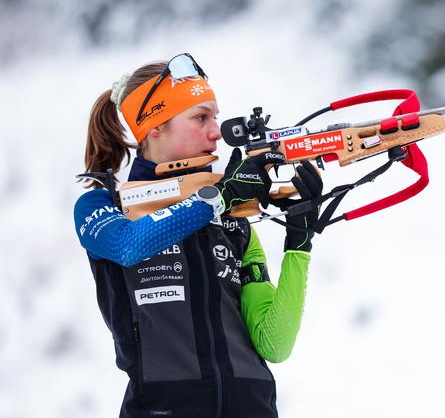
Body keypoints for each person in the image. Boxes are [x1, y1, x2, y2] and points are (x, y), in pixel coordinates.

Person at [73, 53, 322, 418]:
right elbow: (128, 246)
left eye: (215, 117)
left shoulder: (232, 216)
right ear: (154, 126)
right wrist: (218, 199)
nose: (216, 131)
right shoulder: (103, 203)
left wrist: (298, 245)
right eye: (200, 117)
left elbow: (274, 343)